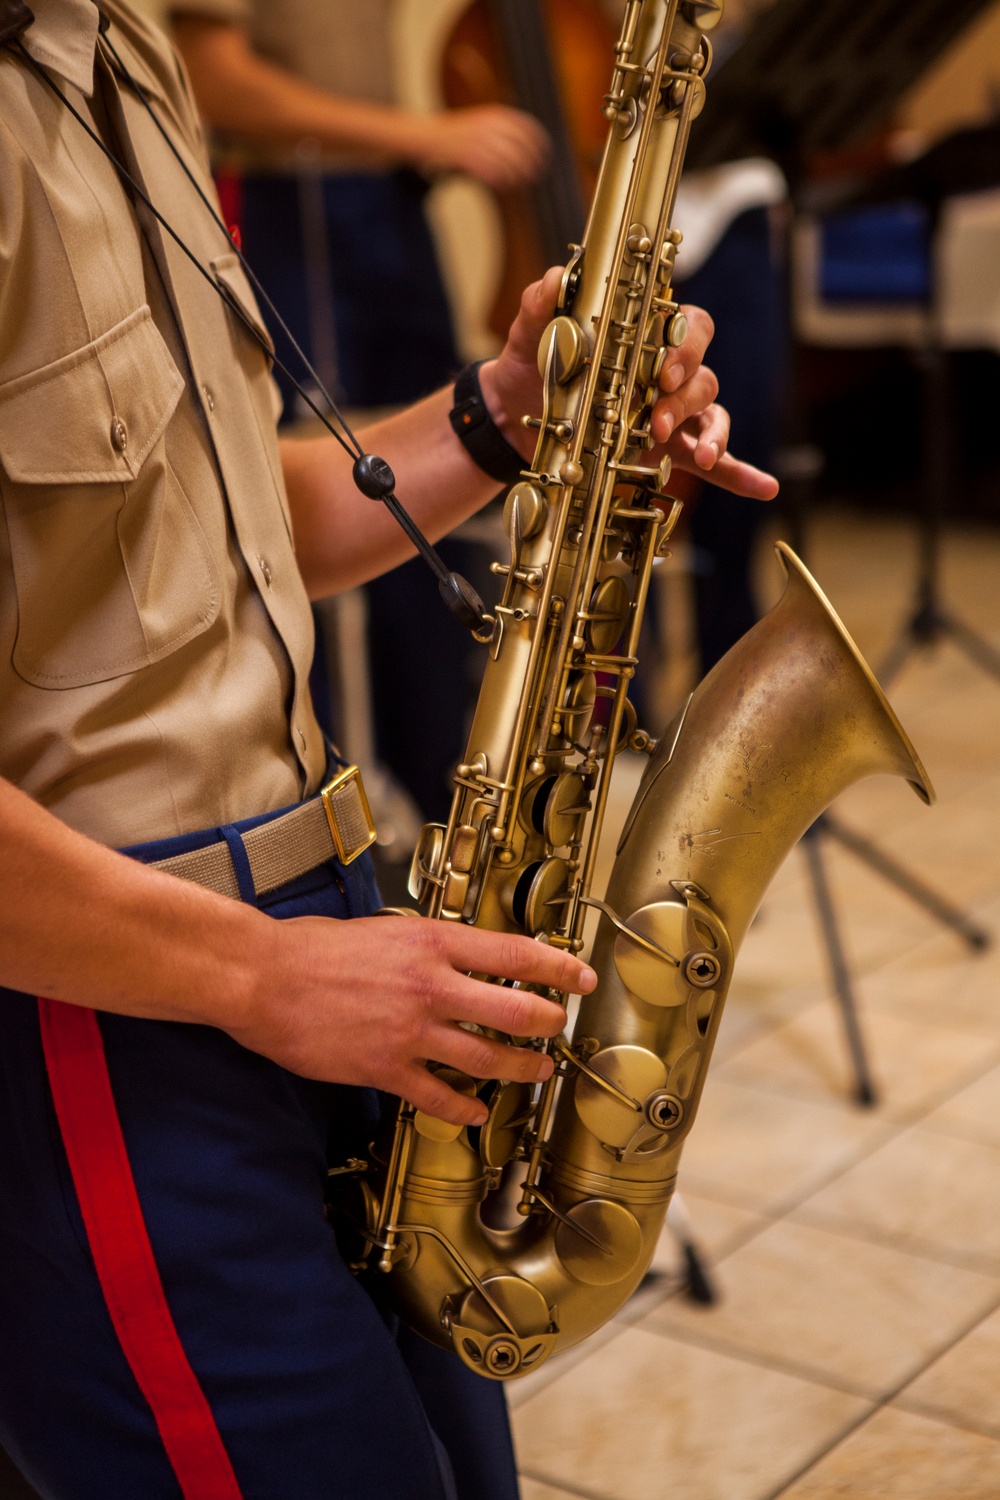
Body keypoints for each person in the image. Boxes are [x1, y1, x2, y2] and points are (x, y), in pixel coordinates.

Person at [0, 1, 777, 1496]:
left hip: (320, 932)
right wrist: (260, 976)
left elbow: (213, 525)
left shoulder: (122, 44)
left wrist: (511, 411)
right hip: (107, 1020)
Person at [169, 0, 552, 826]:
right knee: (316, 527)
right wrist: (425, 135)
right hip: (292, 202)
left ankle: (445, 794)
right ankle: (336, 811)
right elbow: (211, 77)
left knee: (434, 528)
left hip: (385, 205)